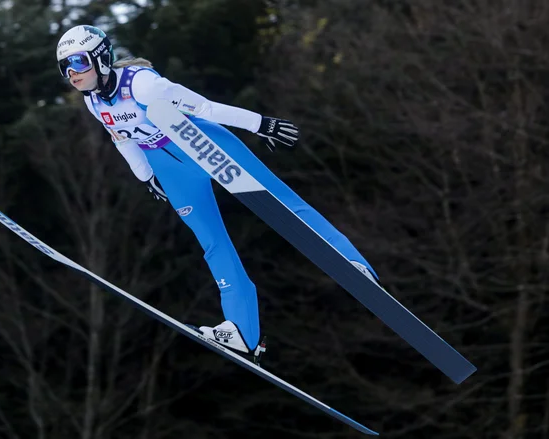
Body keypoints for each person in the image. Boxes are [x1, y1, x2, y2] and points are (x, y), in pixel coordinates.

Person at [56, 25, 379, 360]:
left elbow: (205, 108)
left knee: (281, 202)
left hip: (200, 141)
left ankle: (351, 261)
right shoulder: (94, 102)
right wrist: (146, 177)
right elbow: (122, 139)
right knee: (211, 242)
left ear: (101, 57)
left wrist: (260, 123)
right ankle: (242, 331)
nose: (71, 73)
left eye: (78, 62)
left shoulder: (142, 83)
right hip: (170, 166)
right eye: (64, 66)